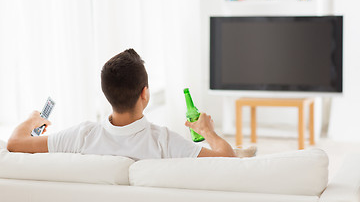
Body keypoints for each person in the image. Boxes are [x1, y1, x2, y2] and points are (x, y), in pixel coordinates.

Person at [7, 49, 256, 160]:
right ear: (144, 94)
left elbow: (15, 143)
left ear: (107, 94)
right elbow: (227, 158)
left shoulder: (81, 136)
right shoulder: (165, 142)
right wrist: (207, 132)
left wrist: (33, 119)